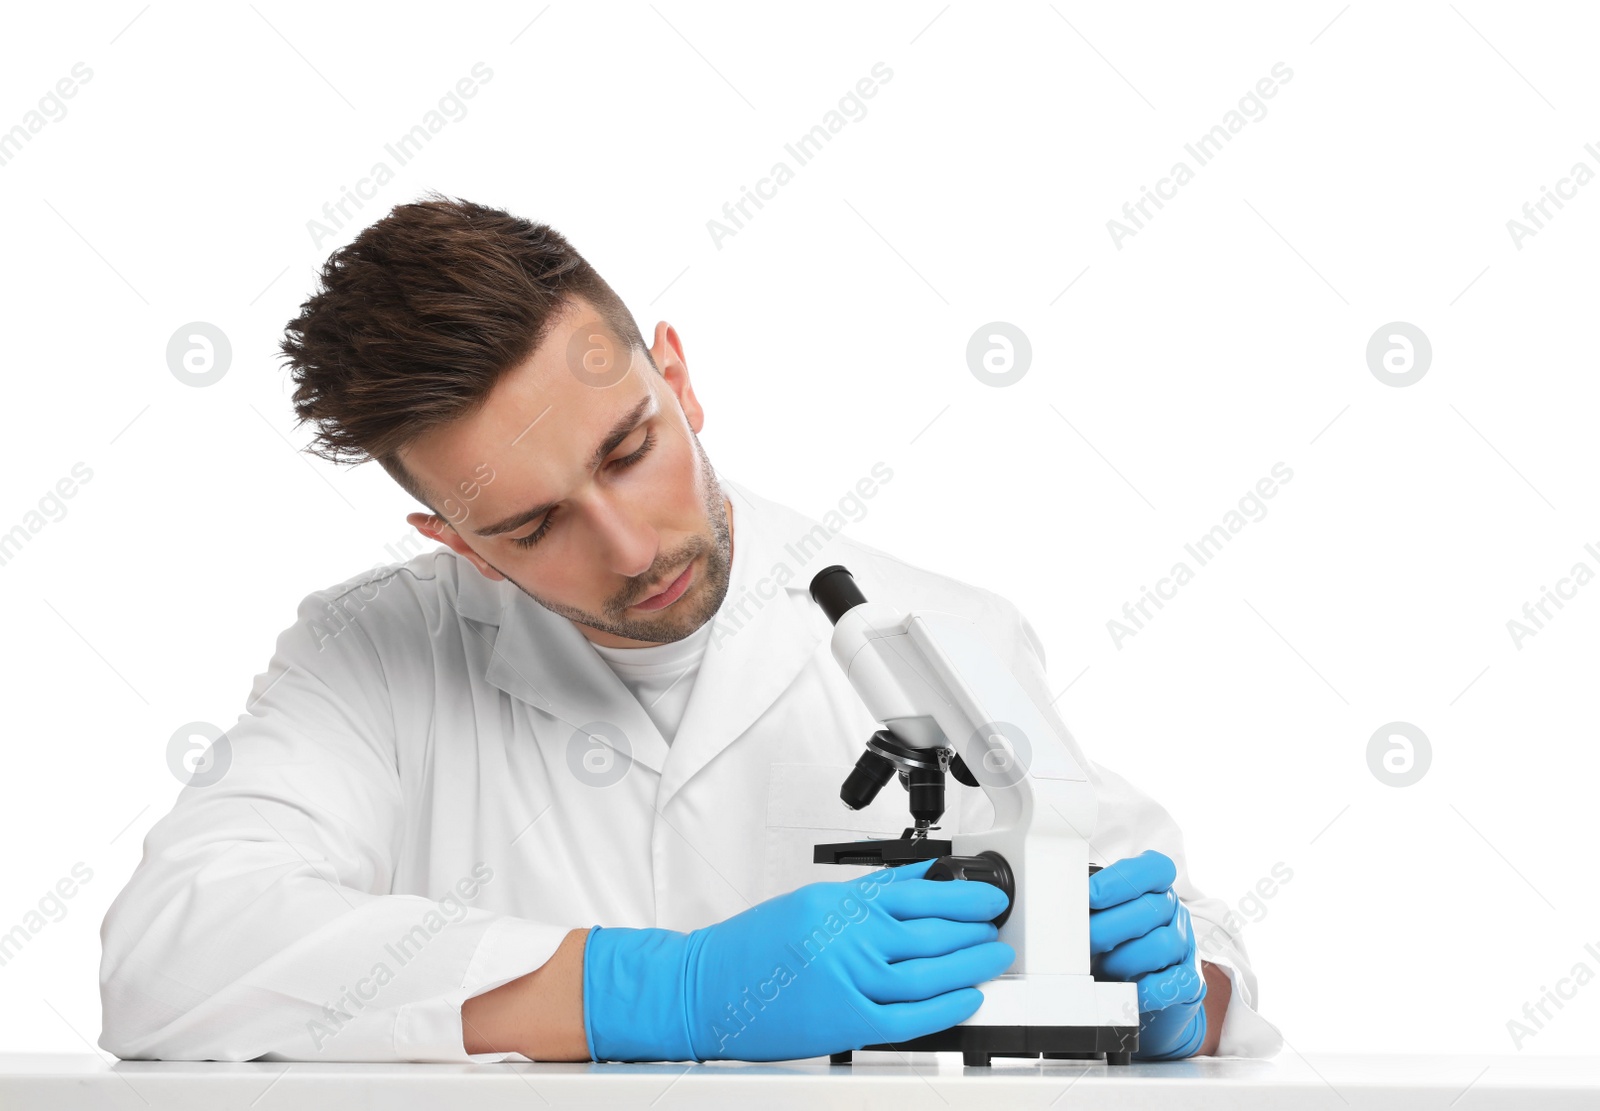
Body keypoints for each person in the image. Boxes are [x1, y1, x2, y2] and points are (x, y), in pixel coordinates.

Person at [97, 193, 1284, 1064]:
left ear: (676, 378)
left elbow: (1192, 939)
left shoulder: (938, 628)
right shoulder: (367, 657)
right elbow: (171, 956)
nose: (628, 546)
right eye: (530, 524)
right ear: (452, 539)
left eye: (629, 450)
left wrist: (1175, 993)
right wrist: (651, 990)